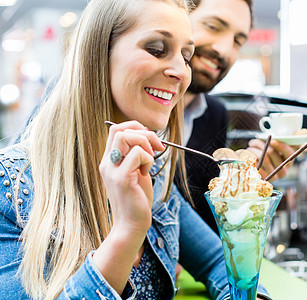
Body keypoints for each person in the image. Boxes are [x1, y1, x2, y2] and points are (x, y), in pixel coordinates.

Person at [0, 0, 271, 299]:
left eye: (186, 56)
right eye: (157, 48)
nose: (181, 72)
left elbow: (220, 262)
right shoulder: (11, 187)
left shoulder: (154, 170)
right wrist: (127, 232)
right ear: (98, 53)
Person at [177, 0, 296, 234]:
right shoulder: (135, 111)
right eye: (213, 26)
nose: (223, 50)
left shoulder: (216, 115)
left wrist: (243, 185)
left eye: (237, 41)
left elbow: (208, 222)